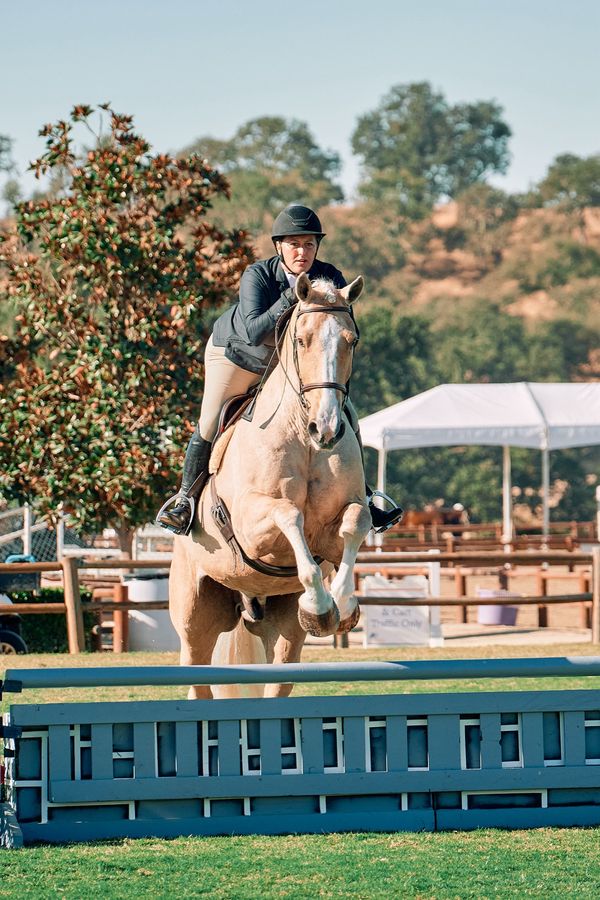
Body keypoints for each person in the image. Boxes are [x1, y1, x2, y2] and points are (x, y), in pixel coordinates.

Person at [157, 203, 403, 535]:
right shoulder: (257, 275)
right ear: (279, 247)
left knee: (346, 413)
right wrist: (293, 296)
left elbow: (338, 335)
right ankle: (185, 500)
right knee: (212, 417)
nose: (302, 252)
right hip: (238, 356)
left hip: (290, 363)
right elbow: (255, 332)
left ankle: (366, 495)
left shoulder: (331, 277)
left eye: (309, 245)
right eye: (294, 244)